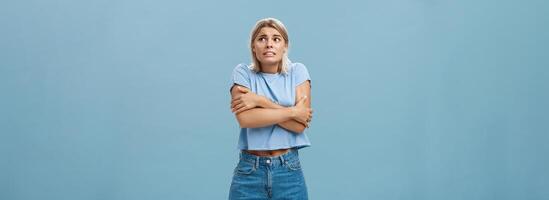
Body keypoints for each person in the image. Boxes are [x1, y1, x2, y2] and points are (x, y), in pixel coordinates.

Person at [228, 18, 313, 200]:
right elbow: (246, 119)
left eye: (276, 39)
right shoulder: (242, 73)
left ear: (285, 46)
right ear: (253, 47)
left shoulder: (298, 72)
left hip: (289, 171)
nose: (269, 44)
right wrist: (293, 112)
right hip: (250, 171)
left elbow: (300, 126)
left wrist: (260, 101)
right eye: (262, 39)